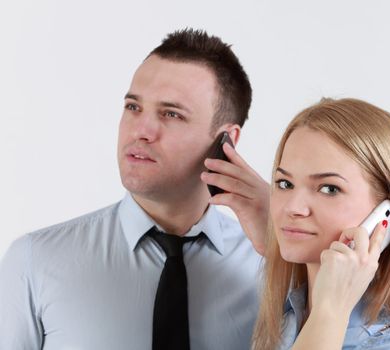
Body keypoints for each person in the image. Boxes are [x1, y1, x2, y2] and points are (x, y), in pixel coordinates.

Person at [0, 29, 270, 350]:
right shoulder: (35, 261)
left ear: (227, 141)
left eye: (171, 114)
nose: (141, 130)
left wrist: (280, 242)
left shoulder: (269, 268)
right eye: (133, 107)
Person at [252, 98, 390, 349]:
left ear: (388, 215)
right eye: (285, 184)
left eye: (329, 188)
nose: (292, 207)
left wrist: (331, 311)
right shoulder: (288, 319)